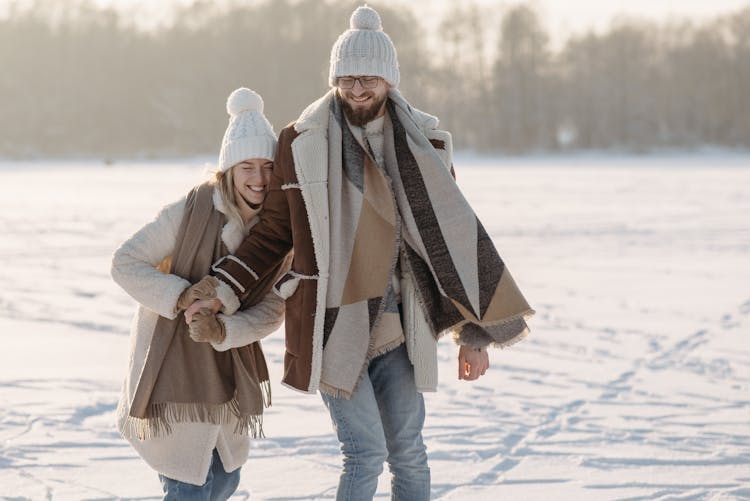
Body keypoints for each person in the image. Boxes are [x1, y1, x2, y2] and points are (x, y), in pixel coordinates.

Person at [193, 6, 534, 500]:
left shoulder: (426, 143)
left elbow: (451, 244)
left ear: (389, 80)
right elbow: (274, 233)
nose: (357, 89)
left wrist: (475, 334)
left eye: (368, 78)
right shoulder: (300, 140)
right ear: (334, 78)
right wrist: (221, 289)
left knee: (409, 452)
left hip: (400, 324)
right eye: (347, 78)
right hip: (333, 326)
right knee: (365, 453)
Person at [111, 87, 289, 500]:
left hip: (227, 369)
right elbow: (124, 262)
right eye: (247, 166)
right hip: (174, 371)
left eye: (267, 166)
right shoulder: (190, 211)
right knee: (188, 483)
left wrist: (224, 331)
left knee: (225, 478)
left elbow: (273, 309)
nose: (259, 179)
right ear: (228, 168)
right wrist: (182, 296)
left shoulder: (278, 233)